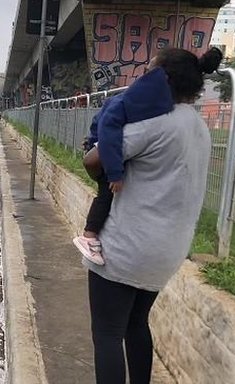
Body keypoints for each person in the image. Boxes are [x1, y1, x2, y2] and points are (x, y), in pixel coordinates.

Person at [72, 46, 222, 384]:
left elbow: (95, 161)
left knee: (106, 333)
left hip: (126, 247)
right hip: (166, 253)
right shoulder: (199, 126)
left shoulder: (156, 124)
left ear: (163, 82)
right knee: (136, 324)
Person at [72, 64, 177, 264]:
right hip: (104, 151)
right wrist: (115, 174)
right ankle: (89, 236)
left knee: (108, 195)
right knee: (106, 193)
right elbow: (109, 135)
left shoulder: (132, 98)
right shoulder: (129, 102)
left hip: (100, 146)